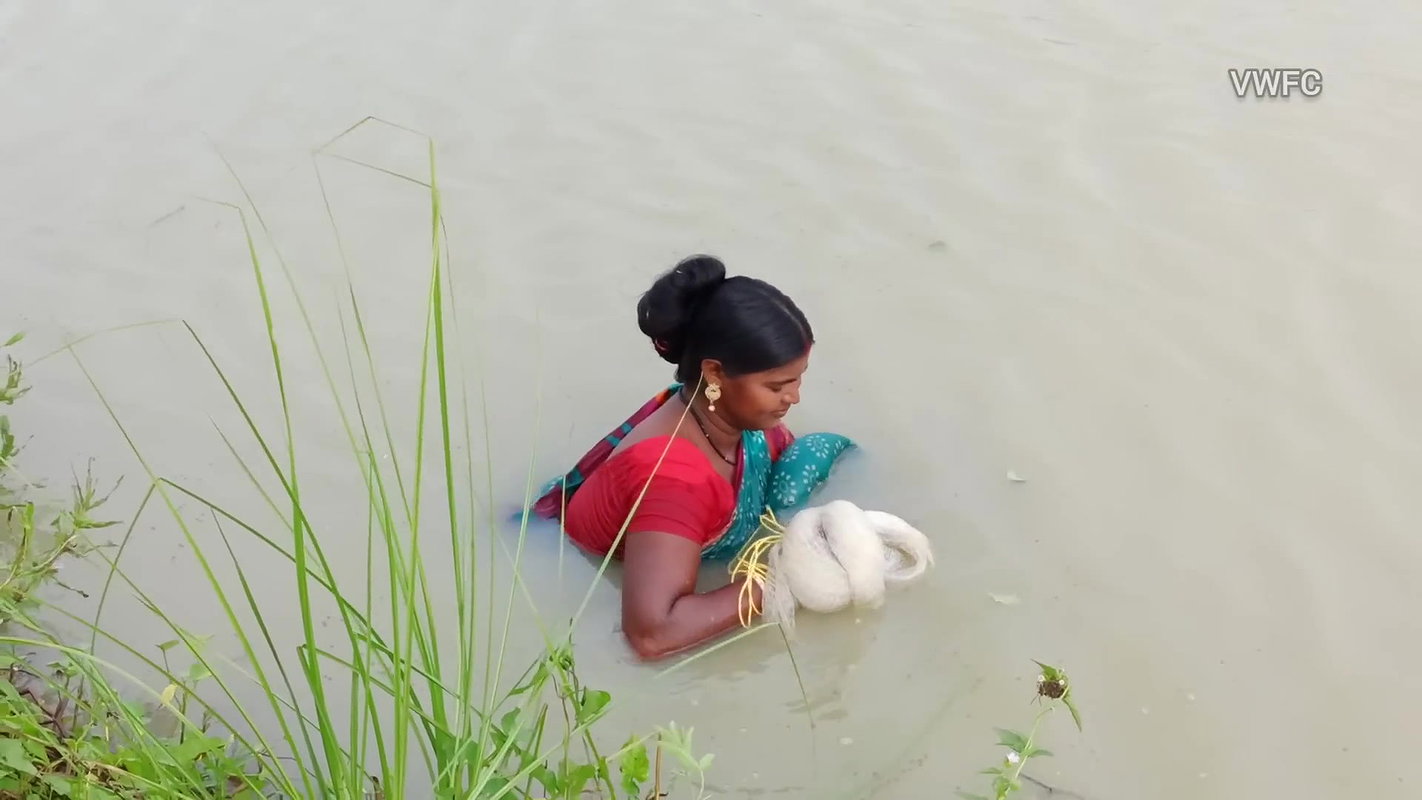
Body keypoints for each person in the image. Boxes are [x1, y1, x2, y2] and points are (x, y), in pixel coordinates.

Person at [532, 255, 813, 661]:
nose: (795, 397)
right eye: (778, 385)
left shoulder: (722, 412)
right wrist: (789, 579)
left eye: (799, 378)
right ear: (715, 373)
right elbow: (653, 635)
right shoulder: (674, 480)